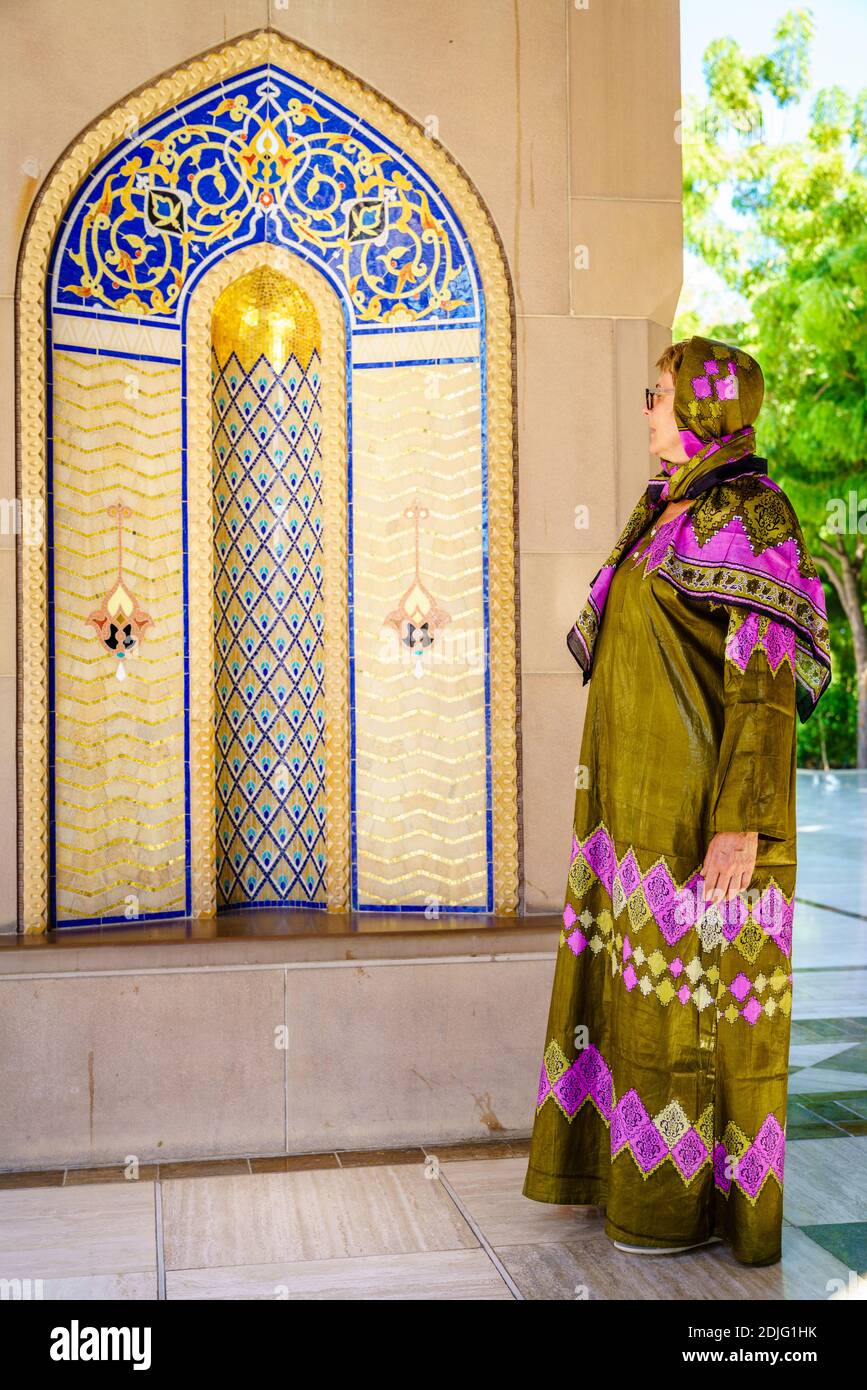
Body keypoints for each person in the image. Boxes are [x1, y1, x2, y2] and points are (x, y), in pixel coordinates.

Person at [522, 334, 832, 1267]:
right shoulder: (667, 510)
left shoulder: (753, 512)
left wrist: (740, 823)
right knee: (636, 1000)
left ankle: (685, 1206)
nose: (645, 407)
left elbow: (765, 683)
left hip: (702, 819)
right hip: (635, 812)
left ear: (701, 404)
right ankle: (626, 1181)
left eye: (655, 392)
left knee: (693, 1006)